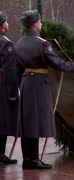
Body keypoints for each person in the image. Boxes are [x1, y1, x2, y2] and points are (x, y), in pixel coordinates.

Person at [15, 10, 74, 169]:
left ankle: (28, 158)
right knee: (34, 122)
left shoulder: (19, 43)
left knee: (27, 122)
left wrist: (20, 85)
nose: (41, 24)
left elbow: (17, 68)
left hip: (26, 83)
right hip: (38, 85)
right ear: (35, 24)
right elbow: (58, 64)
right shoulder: (42, 43)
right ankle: (33, 159)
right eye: (39, 21)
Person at [0, 12, 19, 164]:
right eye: (6, 21)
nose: (8, 24)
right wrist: (13, 92)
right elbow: (10, 70)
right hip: (3, 87)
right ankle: (0, 153)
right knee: (4, 121)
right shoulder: (6, 43)